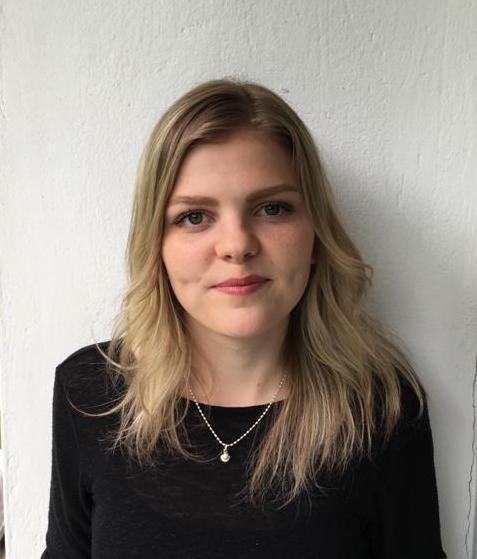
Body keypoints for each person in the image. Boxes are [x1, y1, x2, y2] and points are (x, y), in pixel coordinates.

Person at [41, 78, 447, 558]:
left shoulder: (381, 408)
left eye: (272, 208)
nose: (237, 245)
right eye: (194, 216)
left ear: (316, 236)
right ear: (156, 245)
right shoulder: (89, 394)